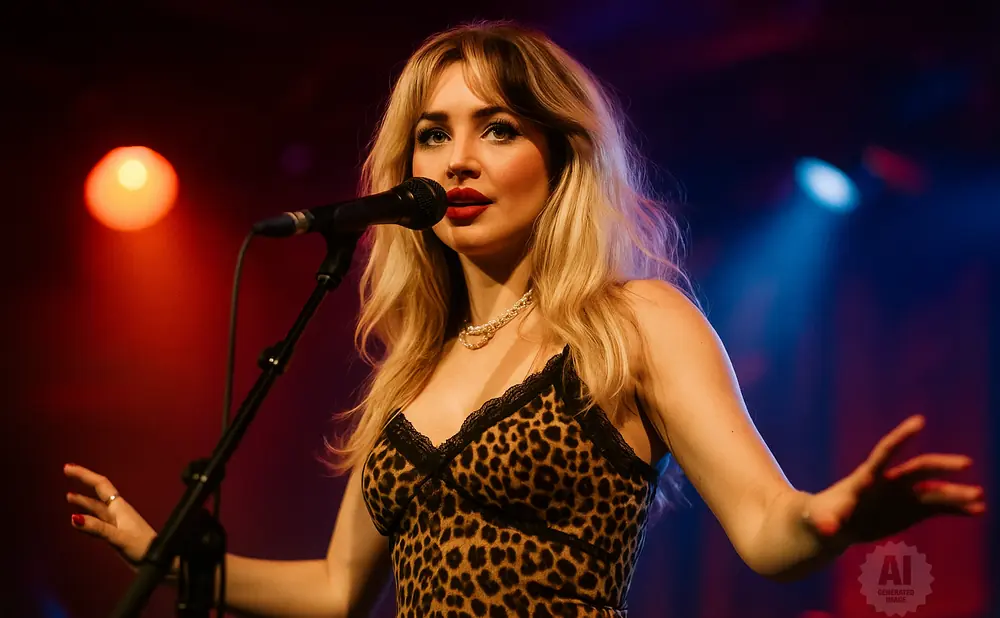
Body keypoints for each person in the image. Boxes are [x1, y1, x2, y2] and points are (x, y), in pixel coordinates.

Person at [64, 20, 986, 618]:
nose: (458, 159)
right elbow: (340, 588)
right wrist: (168, 553)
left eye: (497, 129)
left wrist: (830, 518)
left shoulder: (635, 322)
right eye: (435, 132)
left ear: (560, 160)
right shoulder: (411, 371)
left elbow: (764, 527)